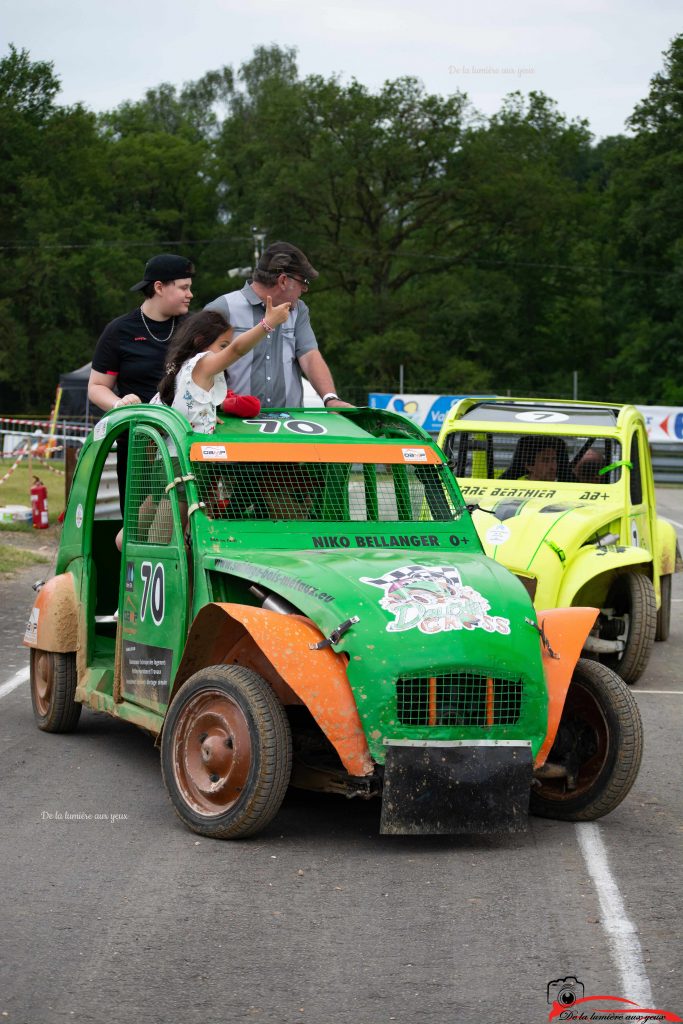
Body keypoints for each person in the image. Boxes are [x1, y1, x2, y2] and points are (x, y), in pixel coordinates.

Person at [88, 253, 196, 511]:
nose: (190, 294)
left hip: (185, 446)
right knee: (137, 526)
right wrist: (120, 404)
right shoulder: (119, 330)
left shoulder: (194, 328)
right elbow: (96, 386)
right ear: (159, 287)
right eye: (184, 287)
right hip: (138, 447)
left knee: (182, 527)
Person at [204, 241, 352, 410]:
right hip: (233, 424)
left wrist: (330, 398)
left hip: (288, 424)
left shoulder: (299, 310)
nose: (305, 288)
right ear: (283, 281)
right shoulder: (222, 308)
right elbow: (200, 367)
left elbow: (310, 356)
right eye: (303, 281)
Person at [151, 300, 291, 431]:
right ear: (200, 342)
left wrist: (206, 416)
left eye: (227, 346)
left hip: (181, 452)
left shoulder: (185, 367)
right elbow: (237, 349)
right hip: (187, 454)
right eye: (223, 346)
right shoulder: (202, 363)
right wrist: (268, 323)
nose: (226, 352)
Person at [501, 436, 569, 482]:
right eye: (545, 460)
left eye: (554, 460)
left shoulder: (566, 487)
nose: (552, 466)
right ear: (529, 466)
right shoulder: (513, 486)